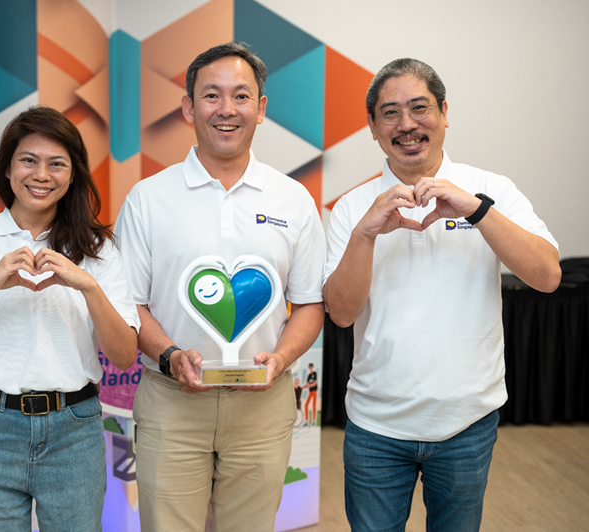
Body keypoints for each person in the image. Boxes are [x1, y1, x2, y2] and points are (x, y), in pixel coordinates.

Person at [323, 58, 561, 531]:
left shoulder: (491, 188)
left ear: (445, 112)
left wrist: (476, 210)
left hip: (466, 423)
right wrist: (366, 234)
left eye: (420, 108)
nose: (407, 124)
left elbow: (547, 276)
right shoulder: (352, 207)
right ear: (372, 127)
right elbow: (343, 314)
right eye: (390, 113)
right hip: (375, 425)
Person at [115, 42, 325, 532]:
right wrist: (169, 354)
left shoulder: (293, 199)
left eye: (241, 96)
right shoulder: (148, 199)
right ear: (188, 107)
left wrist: (280, 358)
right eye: (211, 96)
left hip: (262, 402)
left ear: (261, 108)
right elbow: (131, 303)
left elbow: (311, 303)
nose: (226, 110)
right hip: (171, 402)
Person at [0, 106, 140, 532]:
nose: (41, 174)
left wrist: (87, 285)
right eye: (28, 160)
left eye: (57, 164)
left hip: (75, 429)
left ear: (73, 175)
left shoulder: (99, 251)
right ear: (8, 169)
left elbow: (124, 356)